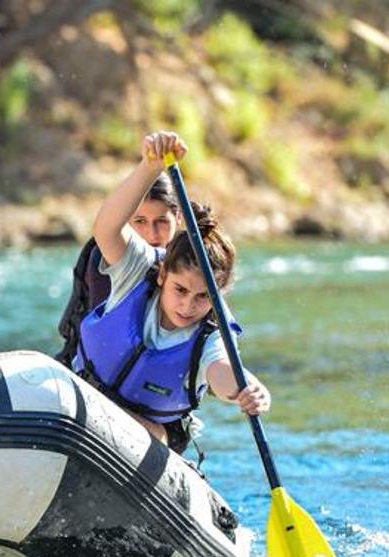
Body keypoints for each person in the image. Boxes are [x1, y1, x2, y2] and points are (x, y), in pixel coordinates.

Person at [74, 131, 270, 455]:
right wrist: (149, 167)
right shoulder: (138, 270)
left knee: (156, 438)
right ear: (163, 274)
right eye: (180, 289)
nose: (187, 306)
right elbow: (106, 228)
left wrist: (247, 389)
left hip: (146, 433)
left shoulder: (212, 334)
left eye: (203, 297)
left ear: (218, 296)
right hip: (81, 396)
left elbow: (222, 372)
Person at [55, 173, 180, 367]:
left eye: (161, 221)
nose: (152, 233)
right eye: (140, 221)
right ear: (126, 223)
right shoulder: (112, 257)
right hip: (101, 375)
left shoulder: (189, 264)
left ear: (178, 217)